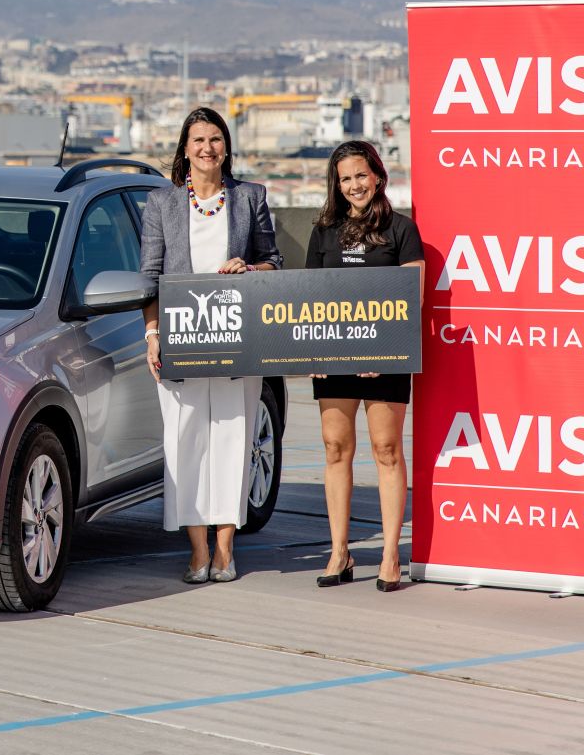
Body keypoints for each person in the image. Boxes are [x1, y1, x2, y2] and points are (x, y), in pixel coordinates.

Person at [140, 107, 279, 584]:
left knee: (233, 440)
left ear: (227, 147)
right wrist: (152, 335)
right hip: (182, 340)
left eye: (215, 139)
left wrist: (250, 269)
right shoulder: (160, 205)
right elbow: (149, 279)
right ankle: (197, 549)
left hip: (238, 338)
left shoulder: (250, 198)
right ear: (184, 149)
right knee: (185, 443)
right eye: (198, 140)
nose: (207, 148)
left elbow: (272, 264)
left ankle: (225, 548)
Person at [307, 139, 424, 592]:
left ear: (377, 175)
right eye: (345, 179)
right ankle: (340, 553)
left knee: (386, 450)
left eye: (361, 175)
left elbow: (412, 297)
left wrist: (383, 349)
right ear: (336, 186)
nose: (354, 185)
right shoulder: (323, 232)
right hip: (334, 355)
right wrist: (312, 351)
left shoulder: (402, 229)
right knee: (336, 448)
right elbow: (309, 301)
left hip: (386, 356)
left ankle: (392, 554)